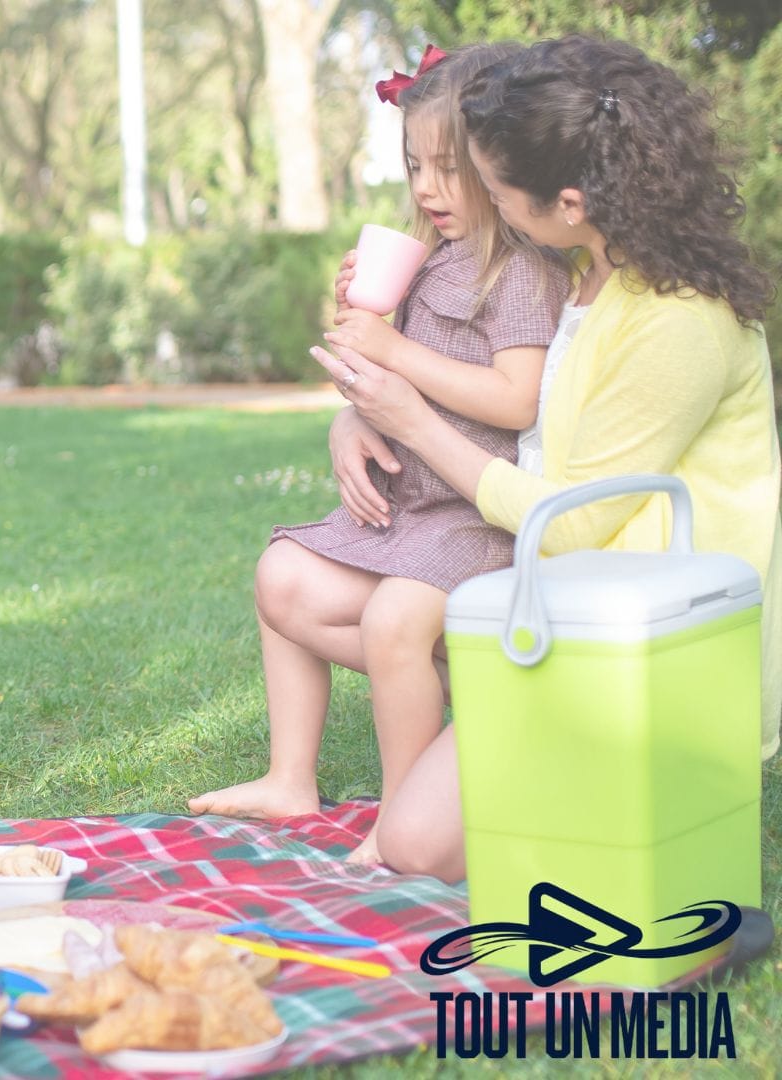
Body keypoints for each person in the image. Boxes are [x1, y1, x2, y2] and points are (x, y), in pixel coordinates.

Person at [315, 35, 781, 882]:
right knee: (325, 601)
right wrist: (359, 419)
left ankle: (589, 782)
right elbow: (500, 408)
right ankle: (521, 753)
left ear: (570, 202)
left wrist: (414, 422)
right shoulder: (586, 269)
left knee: (416, 846)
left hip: (658, 654)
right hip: (568, 607)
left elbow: (570, 526)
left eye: (496, 190)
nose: (482, 204)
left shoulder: (679, 321)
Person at [190, 44, 571, 865]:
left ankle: (401, 816)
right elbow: (384, 391)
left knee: (397, 620)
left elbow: (516, 398)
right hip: (412, 508)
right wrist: (356, 374)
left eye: (448, 168)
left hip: (478, 515)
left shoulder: (521, 273)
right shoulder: (426, 260)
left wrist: (395, 354)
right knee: (281, 575)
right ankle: (291, 775)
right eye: (414, 166)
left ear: (496, 164)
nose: (428, 188)